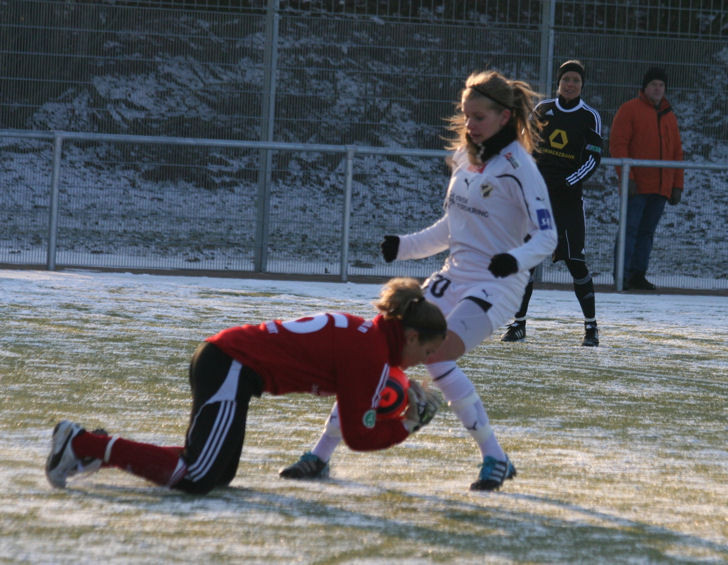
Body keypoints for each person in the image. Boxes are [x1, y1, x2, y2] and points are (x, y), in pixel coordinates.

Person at [279, 69, 557, 491]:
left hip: (496, 286)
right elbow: (453, 228)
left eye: (479, 117)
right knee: (375, 350)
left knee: (437, 355)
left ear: (504, 117)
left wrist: (513, 260)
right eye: (466, 115)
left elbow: (548, 236)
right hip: (452, 276)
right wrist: (405, 247)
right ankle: (319, 456)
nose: (470, 125)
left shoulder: (520, 167)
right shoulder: (465, 158)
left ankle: (494, 458)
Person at [45, 277, 447, 493]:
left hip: (232, 366)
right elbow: (359, 436)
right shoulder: (371, 352)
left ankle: (96, 447)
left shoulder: (370, 340)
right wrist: (407, 424)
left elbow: (357, 402)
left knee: (218, 473)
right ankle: (80, 443)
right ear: (410, 336)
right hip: (230, 365)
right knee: (197, 476)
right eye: (427, 352)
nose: (424, 363)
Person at [501, 60, 602, 347]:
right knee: (527, 262)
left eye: (576, 81)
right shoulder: (542, 110)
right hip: (536, 200)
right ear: (559, 82)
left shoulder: (589, 116)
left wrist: (568, 182)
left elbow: (593, 158)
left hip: (568, 201)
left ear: (582, 85)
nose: (571, 84)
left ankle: (591, 328)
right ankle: (518, 325)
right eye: (566, 79)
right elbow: (523, 146)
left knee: (576, 262)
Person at [609, 66, 684, 291]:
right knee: (629, 230)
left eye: (661, 85)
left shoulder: (669, 116)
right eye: (653, 84)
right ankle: (622, 276)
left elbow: (677, 152)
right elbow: (618, 144)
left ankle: (638, 275)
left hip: (660, 187)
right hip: (637, 185)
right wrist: (627, 177)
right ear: (645, 87)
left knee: (646, 233)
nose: (658, 89)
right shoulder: (629, 110)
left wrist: (677, 185)